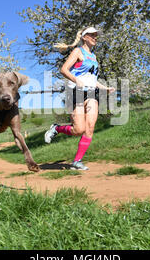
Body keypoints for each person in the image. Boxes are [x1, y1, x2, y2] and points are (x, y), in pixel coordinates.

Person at [44, 26, 115, 170]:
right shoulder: (78, 51)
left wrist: (104, 88)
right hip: (74, 92)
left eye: (96, 35)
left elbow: (91, 79)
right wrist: (76, 81)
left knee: (90, 127)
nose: (95, 37)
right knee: (78, 129)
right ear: (84, 37)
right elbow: (63, 69)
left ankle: (77, 161)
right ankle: (57, 128)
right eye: (92, 35)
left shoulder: (94, 57)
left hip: (90, 93)